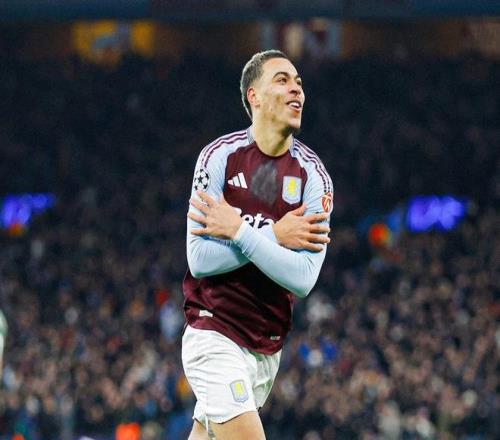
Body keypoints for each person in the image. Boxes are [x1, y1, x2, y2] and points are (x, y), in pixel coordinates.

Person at [182, 50, 333, 440]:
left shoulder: (314, 178)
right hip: (214, 333)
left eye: (299, 82)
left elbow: (303, 278)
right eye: (282, 80)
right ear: (255, 97)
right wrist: (273, 236)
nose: (296, 89)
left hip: (266, 348)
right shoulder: (219, 158)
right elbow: (199, 259)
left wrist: (239, 231)